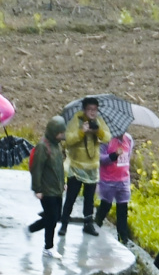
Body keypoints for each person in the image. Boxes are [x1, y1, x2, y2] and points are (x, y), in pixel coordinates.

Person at [60, 99, 106, 230]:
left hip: (92, 167)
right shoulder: (76, 121)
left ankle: (88, 224)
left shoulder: (99, 122)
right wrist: (82, 132)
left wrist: (98, 132)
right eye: (90, 109)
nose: (92, 112)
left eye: (95, 110)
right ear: (84, 110)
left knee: (89, 199)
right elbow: (68, 139)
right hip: (77, 167)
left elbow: (107, 137)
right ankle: (64, 223)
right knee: (71, 197)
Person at [28, 115, 68, 252]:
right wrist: (37, 189)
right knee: (51, 219)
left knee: (56, 217)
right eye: (60, 133)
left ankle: (32, 229)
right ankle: (48, 248)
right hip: (47, 190)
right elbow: (37, 168)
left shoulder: (57, 146)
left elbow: (59, 167)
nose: (62, 135)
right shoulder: (42, 147)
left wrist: (63, 182)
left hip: (57, 189)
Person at [92, 125, 134, 242]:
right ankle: (96, 225)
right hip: (108, 180)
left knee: (122, 209)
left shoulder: (129, 139)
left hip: (123, 180)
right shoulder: (106, 140)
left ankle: (123, 237)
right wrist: (113, 155)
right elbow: (100, 158)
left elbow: (128, 156)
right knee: (106, 205)